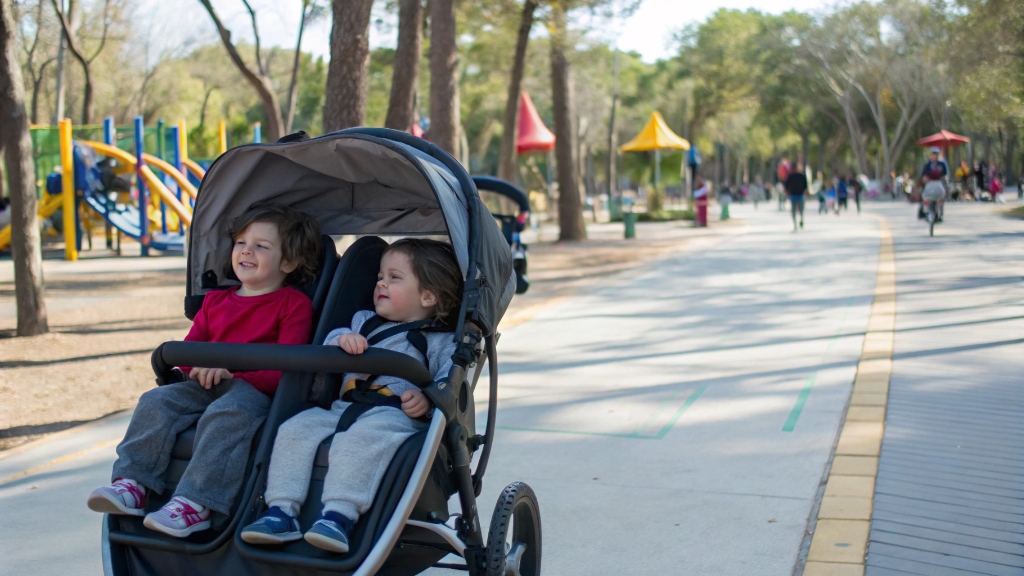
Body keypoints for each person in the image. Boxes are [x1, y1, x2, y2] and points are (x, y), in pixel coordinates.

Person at [87, 203, 321, 537]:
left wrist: (232, 374)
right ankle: (133, 484)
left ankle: (196, 504)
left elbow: (286, 369)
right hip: (205, 384)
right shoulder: (215, 302)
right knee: (156, 400)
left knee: (226, 414)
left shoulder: (293, 305)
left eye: (261, 246)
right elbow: (188, 352)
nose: (246, 251)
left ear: (289, 262)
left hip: (255, 391)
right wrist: (200, 365)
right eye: (241, 243)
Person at [241, 239, 462, 554]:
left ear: (428, 296)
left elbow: (447, 381)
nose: (380, 283)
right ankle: (281, 510)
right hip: (342, 407)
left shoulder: (438, 341)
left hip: (393, 414)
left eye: (394, 278)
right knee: (294, 429)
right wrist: (342, 339)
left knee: (357, 442)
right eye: (380, 276)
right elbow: (332, 339)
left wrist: (427, 400)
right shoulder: (363, 322)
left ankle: (338, 517)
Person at [919, 146, 949, 221]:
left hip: (939, 184)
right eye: (933, 154)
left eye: (936, 154)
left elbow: (945, 175)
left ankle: (940, 213)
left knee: (941, 196)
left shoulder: (941, 164)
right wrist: (925, 180)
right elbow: (923, 176)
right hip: (929, 184)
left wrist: (944, 182)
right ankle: (925, 211)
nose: (934, 155)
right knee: (925, 196)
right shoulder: (927, 164)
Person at [784, 162, 808, 231]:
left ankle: (796, 224)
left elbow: (786, 187)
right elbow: (805, 187)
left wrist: (786, 193)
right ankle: (799, 221)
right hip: (798, 195)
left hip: (794, 195)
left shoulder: (791, 176)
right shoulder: (801, 176)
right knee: (800, 210)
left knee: (794, 211)